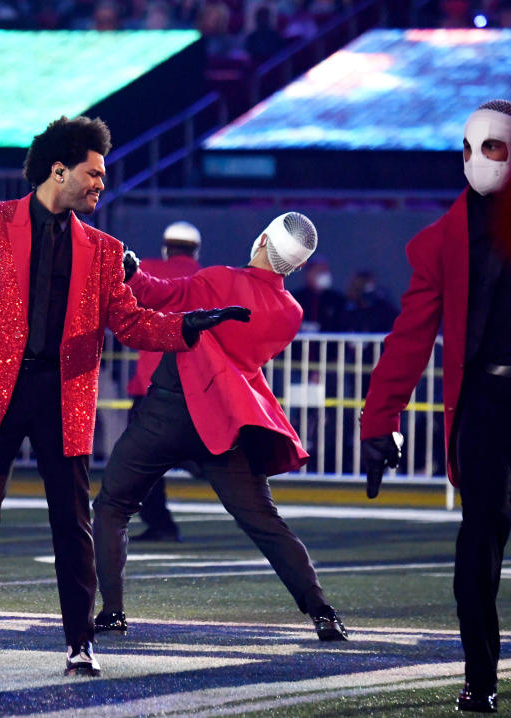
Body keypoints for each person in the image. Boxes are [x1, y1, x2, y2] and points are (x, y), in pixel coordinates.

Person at [0, 115, 249, 678]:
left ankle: (80, 644)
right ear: (58, 169)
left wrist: (189, 326)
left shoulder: (103, 248)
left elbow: (133, 324)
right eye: (93, 173)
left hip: (61, 393)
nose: (101, 184)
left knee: (73, 520)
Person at [92, 211, 348, 643]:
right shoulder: (291, 311)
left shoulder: (221, 279)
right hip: (227, 421)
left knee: (113, 506)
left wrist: (131, 271)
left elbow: (162, 295)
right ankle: (321, 610)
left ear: (262, 238)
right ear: (299, 265)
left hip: (168, 411)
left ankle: (113, 612)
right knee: (265, 522)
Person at [361, 99, 511, 714]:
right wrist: (378, 422)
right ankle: (479, 677)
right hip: (482, 407)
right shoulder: (441, 243)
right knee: (476, 547)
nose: (477, 160)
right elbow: (410, 337)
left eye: (493, 147)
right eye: (470, 148)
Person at [126, 220, 203, 543]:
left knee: (139, 462)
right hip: (195, 386)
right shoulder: (206, 278)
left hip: (151, 384)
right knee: (205, 454)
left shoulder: (148, 270)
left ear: (166, 245)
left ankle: (160, 522)